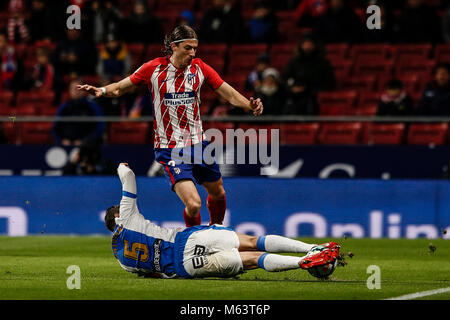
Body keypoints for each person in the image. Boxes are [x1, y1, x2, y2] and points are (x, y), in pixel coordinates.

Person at [77, 25, 263, 228]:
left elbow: (228, 93)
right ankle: (194, 244)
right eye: (188, 48)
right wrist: (102, 90)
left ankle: (217, 232)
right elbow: (121, 87)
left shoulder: (200, 68)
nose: (193, 53)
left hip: (199, 143)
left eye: (195, 48)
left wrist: (249, 104)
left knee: (218, 193)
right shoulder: (153, 69)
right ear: (173, 47)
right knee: (193, 204)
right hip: (170, 148)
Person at [105, 162, 341, 279]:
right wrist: (121, 165)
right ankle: (312, 249)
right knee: (251, 241)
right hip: (186, 241)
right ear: (117, 216)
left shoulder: (122, 260)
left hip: (185, 268)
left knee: (253, 260)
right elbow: (128, 177)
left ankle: (303, 262)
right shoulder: (125, 217)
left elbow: (153, 274)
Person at [53, 79, 104, 146]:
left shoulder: (93, 106)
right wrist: (62, 140)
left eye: (78, 88)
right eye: (72, 89)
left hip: (87, 146)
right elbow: (55, 128)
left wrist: (85, 141)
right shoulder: (64, 107)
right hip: (65, 145)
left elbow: (99, 128)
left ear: (84, 90)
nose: (75, 91)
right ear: (69, 90)